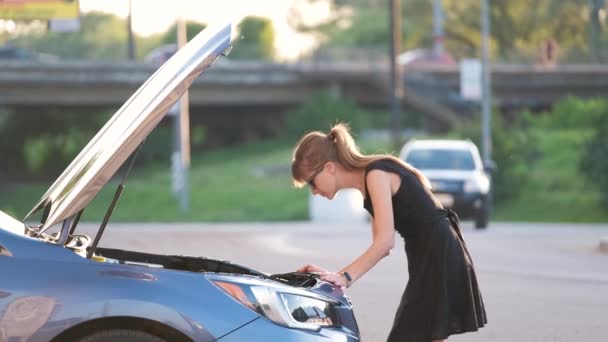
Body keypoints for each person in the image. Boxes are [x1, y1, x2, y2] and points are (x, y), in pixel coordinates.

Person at [291, 123, 487, 342]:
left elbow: (385, 242)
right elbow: (380, 247)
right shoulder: (367, 185)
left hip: (439, 253)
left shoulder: (376, 174)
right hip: (430, 254)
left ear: (329, 167)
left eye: (311, 182)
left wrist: (344, 277)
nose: (315, 191)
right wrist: (335, 276)